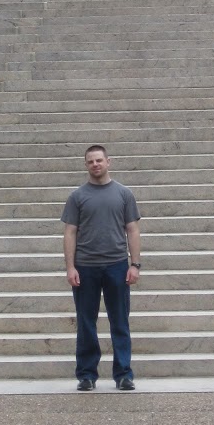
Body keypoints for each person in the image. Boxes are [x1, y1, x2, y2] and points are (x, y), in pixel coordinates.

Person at [61, 145, 141, 392]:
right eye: (90, 161)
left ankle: (123, 374)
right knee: (86, 323)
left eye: (99, 160)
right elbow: (70, 232)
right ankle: (87, 375)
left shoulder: (124, 194)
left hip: (117, 265)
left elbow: (132, 230)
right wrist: (70, 267)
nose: (95, 164)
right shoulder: (77, 197)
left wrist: (135, 264)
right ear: (86, 165)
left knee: (120, 321)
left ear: (108, 162)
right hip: (86, 267)